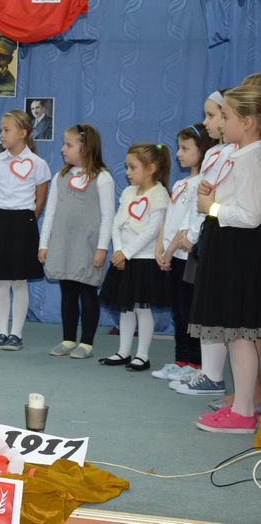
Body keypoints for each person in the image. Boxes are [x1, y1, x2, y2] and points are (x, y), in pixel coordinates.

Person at [190, 84, 261, 434]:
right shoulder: (239, 154)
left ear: (247, 122)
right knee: (235, 334)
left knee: (240, 332)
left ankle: (244, 412)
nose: (222, 123)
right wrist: (215, 195)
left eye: (227, 116)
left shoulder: (252, 157)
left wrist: (212, 207)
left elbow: (251, 214)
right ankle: (241, 406)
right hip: (229, 245)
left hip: (239, 249)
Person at [172, 90, 236, 396]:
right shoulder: (214, 153)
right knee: (206, 308)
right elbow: (200, 200)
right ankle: (209, 373)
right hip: (207, 232)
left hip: (224, 232)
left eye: (212, 115)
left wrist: (194, 235)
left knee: (220, 311)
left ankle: (213, 375)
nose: (206, 121)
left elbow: (217, 200)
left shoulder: (237, 153)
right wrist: (191, 234)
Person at [39, 124, 115, 359]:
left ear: (86, 148)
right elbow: (50, 213)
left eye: (68, 145)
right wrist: (44, 244)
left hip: (87, 247)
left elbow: (108, 216)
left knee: (87, 292)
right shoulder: (60, 177)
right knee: (68, 292)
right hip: (63, 245)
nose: (63, 149)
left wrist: (102, 248)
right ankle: (68, 339)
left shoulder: (102, 178)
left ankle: (87, 343)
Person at [0, 110, 50, 350]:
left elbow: (40, 200)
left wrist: (27, 220)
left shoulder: (38, 164)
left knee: (19, 281)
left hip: (23, 223)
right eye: (1, 130)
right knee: (1, 280)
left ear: (23, 133)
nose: (2, 134)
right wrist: (1, 217)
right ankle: (1, 332)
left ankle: (16, 334)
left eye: (7, 130)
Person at [98, 144, 172, 372]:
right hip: (124, 260)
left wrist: (127, 253)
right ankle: (124, 351)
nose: (127, 172)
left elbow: (152, 230)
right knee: (126, 308)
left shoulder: (159, 194)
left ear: (151, 168)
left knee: (142, 308)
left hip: (144, 261)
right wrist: (119, 250)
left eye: (132, 167)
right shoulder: (129, 192)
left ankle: (142, 355)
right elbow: (116, 223)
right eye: (127, 167)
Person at [151, 124, 215, 382]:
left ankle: (195, 362)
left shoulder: (203, 183)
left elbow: (189, 224)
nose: (178, 153)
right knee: (177, 311)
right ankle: (181, 360)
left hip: (188, 257)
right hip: (173, 256)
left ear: (203, 150)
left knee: (190, 312)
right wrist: (160, 247)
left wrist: (171, 248)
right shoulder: (180, 183)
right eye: (178, 148)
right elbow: (169, 218)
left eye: (185, 148)